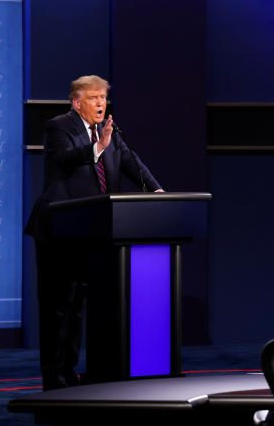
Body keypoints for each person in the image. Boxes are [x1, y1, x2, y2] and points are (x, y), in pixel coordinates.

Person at [25, 75, 163, 390]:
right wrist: (96, 147)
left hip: (91, 231)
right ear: (77, 102)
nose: (101, 103)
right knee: (58, 307)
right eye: (94, 98)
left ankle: (70, 372)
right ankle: (53, 377)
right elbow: (64, 159)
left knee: (77, 308)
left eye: (103, 97)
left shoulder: (110, 132)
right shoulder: (59, 127)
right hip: (58, 229)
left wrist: (156, 191)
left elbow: (132, 164)